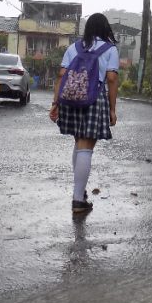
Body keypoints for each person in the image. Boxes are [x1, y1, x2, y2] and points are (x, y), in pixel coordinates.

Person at [49, 13, 120, 213]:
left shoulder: (74, 47)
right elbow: (112, 79)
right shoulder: (109, 49)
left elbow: (62, 74)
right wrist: (112, 109)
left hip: (70, 98)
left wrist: (56, 103)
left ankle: (79, 191)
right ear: (106, 29)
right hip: (94, 98)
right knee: (86, 147)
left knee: (79, 144)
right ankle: (78, 199)